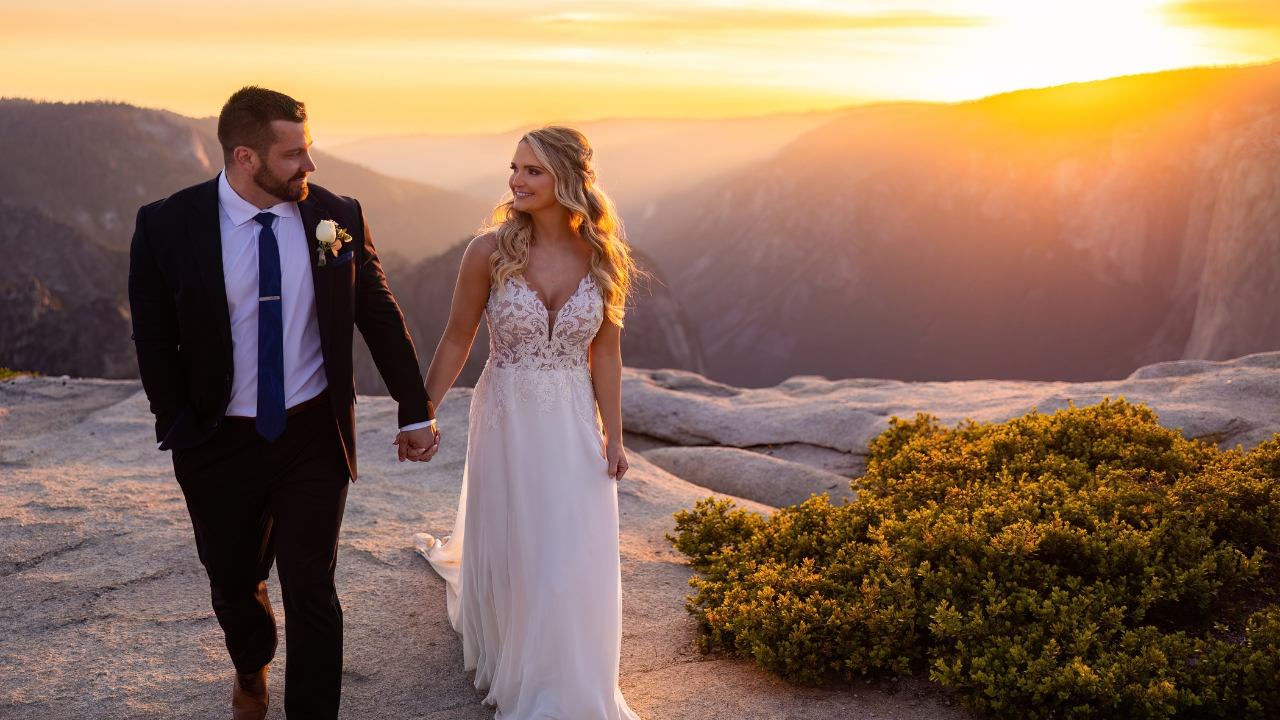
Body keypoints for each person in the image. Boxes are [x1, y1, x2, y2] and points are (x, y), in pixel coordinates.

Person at [128, 86, 440, 720]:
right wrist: (179, 424)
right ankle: (251, 663)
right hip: (218, 440)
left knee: (311, 588)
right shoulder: (167, 224)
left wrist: (414, 408)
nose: (310, 165)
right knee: (235, 584)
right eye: (295, 153)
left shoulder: (335, 215)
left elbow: (376, 312)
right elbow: (154, 337)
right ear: (246, 156)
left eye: (310, 148)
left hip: (310, 432)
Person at [414, 126, 641, 719]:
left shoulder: (604, 256)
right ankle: (522, 659)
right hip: (507, 416)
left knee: (573, 549)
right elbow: (459, 336)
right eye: (514, 168)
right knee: (521, 544)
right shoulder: (488, 251)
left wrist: (615, 438)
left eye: (533, 171)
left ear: (569, 179)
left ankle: (570, 677)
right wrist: (422, 410)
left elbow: (607, 354)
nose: (516, 180)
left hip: (571, 421)